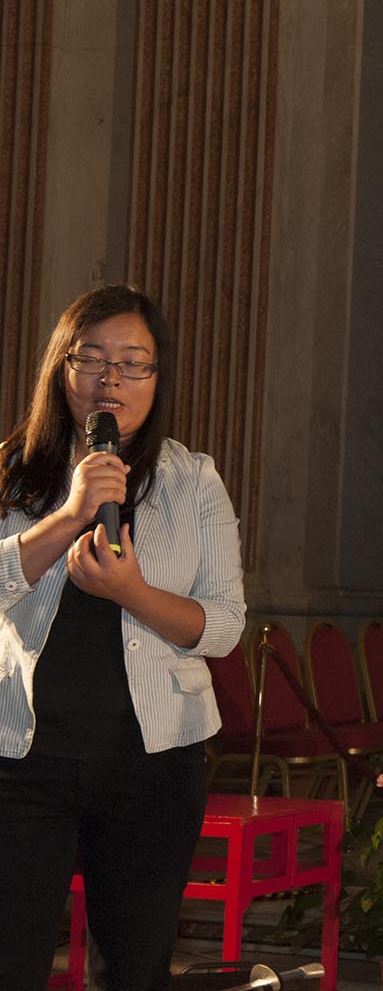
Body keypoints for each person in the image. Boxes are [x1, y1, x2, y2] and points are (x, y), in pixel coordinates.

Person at [0, 285, 246, 991]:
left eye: (133, 362)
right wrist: (71, 512)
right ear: (61, 367)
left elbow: (224, 624)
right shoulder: (14, 470)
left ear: (156, 378)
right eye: (94, 359)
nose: (112, 379)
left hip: (152, 767)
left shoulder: (192, 482)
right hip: (23, 763)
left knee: (136, 970)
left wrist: (129, 592)